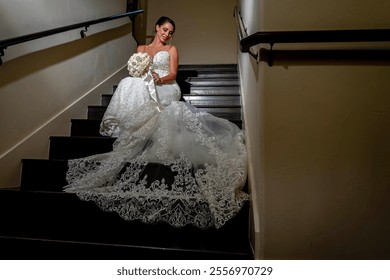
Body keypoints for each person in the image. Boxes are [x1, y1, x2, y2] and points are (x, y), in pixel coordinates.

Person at [64, 16, 248, 229]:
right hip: (146, 82)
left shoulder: (171, 49)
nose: (167, 34)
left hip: (166, 86)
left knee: (146, 87)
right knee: (128, 82)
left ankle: (138, 122)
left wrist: (160, 79)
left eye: (171, 32)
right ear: (157, 28)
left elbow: (173, 74)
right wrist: (143, 74)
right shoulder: (141, 47)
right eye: (165, 29)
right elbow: (135, 70)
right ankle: (128, 124)